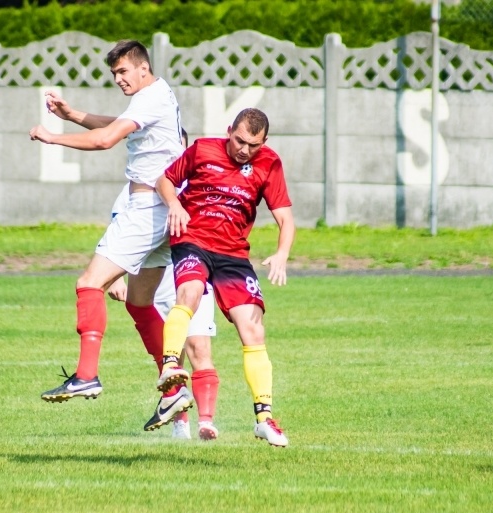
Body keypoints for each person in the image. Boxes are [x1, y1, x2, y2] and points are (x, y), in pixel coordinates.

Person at [29, 40, 193, 429]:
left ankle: (86, 376)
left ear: (142, 68)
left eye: (123, 72)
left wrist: (54, 137)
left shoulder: (150, 97)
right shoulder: (156, 94)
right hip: (163, 212)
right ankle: (173, 391)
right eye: (114, 74)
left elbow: (106, 140)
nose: (119, 79)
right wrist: (73, 115)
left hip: (146, 211)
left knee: (89, 283)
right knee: (139, 303)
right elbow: (115, 126)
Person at [155, 108, 295, 447]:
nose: (245, 150)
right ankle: (171, 365)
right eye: (240, 141)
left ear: (265, 142)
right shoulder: (202, 149)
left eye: (254, 145)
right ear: (228, 130)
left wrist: (281, 254)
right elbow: (165, 180)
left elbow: (285, 219)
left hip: (233, 254)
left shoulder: (270, 164)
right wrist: (174, 204)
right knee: (188, 293)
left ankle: (264, 417)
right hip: (193, 240)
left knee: (253, 327)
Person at [107, 131, 220, 440]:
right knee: (171, 358)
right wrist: (116, 276)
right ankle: (179, 423)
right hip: (157, 282)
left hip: (194, 276)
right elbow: (119, 232)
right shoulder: (139, 186)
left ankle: (206, 422)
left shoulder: (198, 181)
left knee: (199, 347)